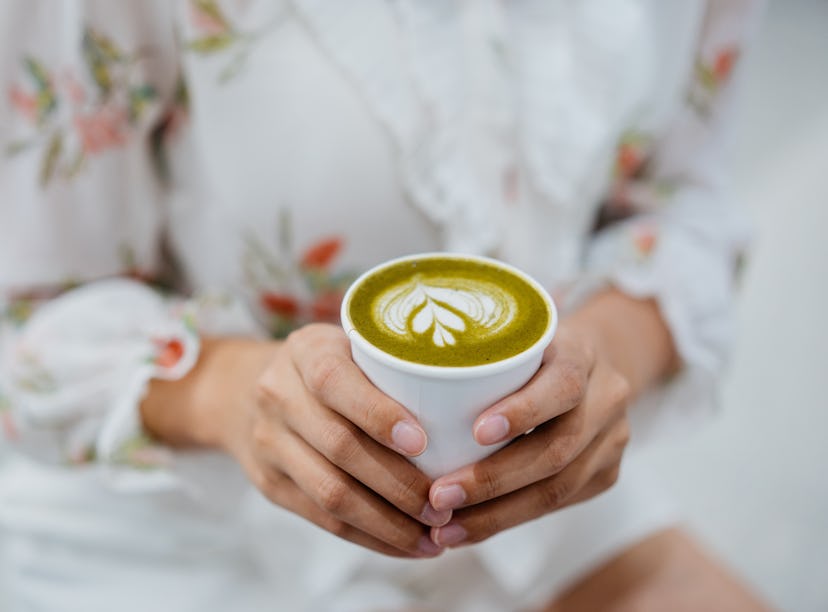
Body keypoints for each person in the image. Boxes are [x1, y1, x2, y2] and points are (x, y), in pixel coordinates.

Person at [0, 1, 769, 610]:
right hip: (183, 508)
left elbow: (686, 201)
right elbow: (27, 312)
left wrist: (606, 362)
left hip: (526, 506)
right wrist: (232, 394)